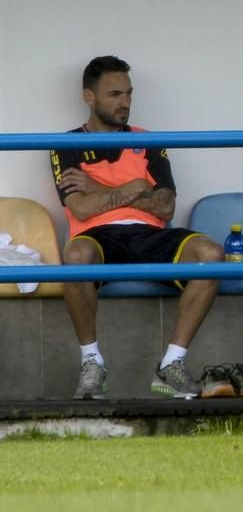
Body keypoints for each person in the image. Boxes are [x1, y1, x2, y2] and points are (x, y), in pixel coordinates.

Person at [49, 55, 226, 400]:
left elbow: (166, 205)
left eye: (129, 93)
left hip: (150, 233)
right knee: (75, 253)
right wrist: (131, 188)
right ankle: (92, 363)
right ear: (90, 97)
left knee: (212, 253)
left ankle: (172, 365)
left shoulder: (149, 140)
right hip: (98, 237)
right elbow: (81, 210)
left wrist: (99, 189)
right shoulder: (66, 143)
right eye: (115, 94)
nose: (125, 102)